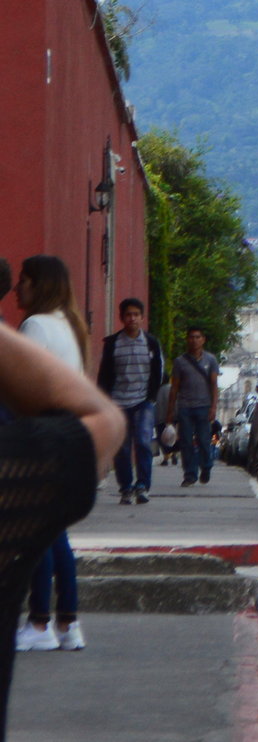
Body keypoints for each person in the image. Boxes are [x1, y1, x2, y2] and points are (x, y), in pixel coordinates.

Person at [10, 255, 119, 665]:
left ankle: (39, 623)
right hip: (67, 436)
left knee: (37, 538)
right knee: (57, 537)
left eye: (24, 280)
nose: (18, 288)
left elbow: (26, 383)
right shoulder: (68, 326)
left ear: (39, 284)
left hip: (40, 436)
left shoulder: (34, 327)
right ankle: (67, 622)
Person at [95, 298, 164, 506]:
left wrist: (151, 396)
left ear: (142, 318)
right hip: (118, 402)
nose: (132, 318)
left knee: (143, 442)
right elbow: (104, 374)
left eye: (136, 314)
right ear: (121, 318)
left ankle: (142, 486)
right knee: (122, 448)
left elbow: (158, 371)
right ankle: (126, 487)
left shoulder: (151, 343)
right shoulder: (113, 343)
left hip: (143, 400)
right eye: (128, 315)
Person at [169, 330, 220, 488]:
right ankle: (190, 474)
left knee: (204, 441)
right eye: (191, 337)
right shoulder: (180, 362)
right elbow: (175, 387)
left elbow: (214, 385)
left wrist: (213, 407)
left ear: (203, 339)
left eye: (198, 337)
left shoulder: (210, 360)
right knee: (186, 442)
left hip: (203, 406)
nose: (194, 340)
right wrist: (170, 410)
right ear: (187, 340)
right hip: (185, 407)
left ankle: (206, 466)